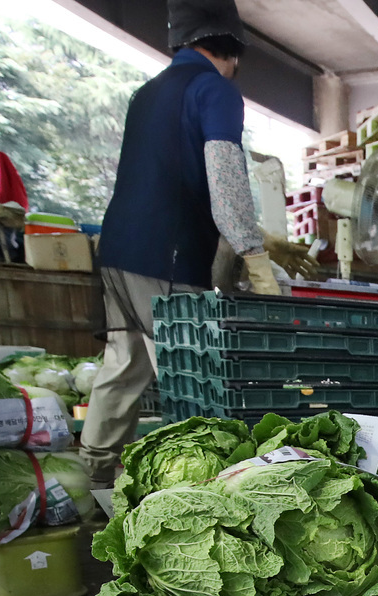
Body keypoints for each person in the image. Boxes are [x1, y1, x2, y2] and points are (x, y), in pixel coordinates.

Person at [84, 0, 282, 488]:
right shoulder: (215, 89)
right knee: (184, 374)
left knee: (125, 360)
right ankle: (186, 491)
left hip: (116, 250)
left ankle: (92, 473)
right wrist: (254, 256)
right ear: (232, 50)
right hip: (166, 254)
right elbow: (226, 180)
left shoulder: (146, 93)